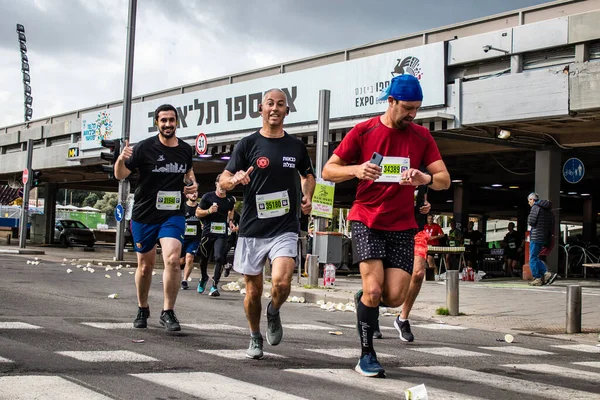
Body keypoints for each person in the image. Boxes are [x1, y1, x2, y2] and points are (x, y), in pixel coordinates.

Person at [322, 74, 450, 378]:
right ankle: (366, 355)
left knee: (393, 297)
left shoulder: (421, 137)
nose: (412, 114)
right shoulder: (364, 131)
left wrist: (425, 178)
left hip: (402, 225)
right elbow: (329, 169)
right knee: (375, 288)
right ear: (390, 101)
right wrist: (356, 169)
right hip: (366, 218)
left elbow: (444, 179)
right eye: (407, 107)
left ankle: (364, 301)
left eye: (416, 109)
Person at [218, 88, 315, 360]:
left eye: (280, 104)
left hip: (284, 226)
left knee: (282, 283)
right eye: (270, 104)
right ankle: (254, 335)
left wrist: (307, 195)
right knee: (253, 290)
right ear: (261, 109)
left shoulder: (295, 146)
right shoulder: (247, 145)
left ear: (287, 111)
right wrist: (235, 179)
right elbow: (222, 181)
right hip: (252, 228)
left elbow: (308, 176)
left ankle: (273, 311)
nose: (275, 108)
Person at [114, 104, 197, 332]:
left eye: (171, 120)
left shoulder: (185, 149)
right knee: (145, 267)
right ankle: (143, 307)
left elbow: (188, 173)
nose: (168, 124)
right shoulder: (144, 148)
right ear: (157, 123)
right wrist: (121, 159)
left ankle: (168, 311)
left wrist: (192, 185)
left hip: (172, 214)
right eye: (163, 121)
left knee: (172, 258)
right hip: (144, 214)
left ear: (177, 122)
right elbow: (120, 175)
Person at [196, 175, 236, 296]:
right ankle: (203, 278)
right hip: (208, 232)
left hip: (221, 233)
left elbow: (231, 210)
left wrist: (230, 221)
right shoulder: (208, 197)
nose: (223, 187)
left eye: (225, 185)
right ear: (216, 184)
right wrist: (208, 211)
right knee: (204, 259)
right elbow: (197, 212)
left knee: (219, 257)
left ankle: (214, 285)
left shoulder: (230, 200)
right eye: (221, 184)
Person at [527, 193, 557, 286]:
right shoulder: (548, 210)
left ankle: (540, 276)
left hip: (536, 236)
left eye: (529, 201)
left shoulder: (535, 208)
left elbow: (531, 222)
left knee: (532, 257)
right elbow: (552, 222)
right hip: (544, 237)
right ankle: (544, 275)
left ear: (532, 200)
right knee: (536, 256)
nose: (529, 203)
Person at [180, 190, 202, 289]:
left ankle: (184, 280)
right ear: (187, 194)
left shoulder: (201, 207)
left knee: (189, 258)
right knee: (181, 261)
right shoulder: (182, 207)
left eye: (196, 192)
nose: (194, 194)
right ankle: (176, 273)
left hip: (195, 238)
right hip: (182, 237)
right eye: (192, 193)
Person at [223, 209, 240, 278]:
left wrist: (236, 228)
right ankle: (224, 268)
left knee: (225, 253)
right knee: (220, 256)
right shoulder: (221, 210)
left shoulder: (236, 214)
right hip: (221, 236)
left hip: (231, 238)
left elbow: (241, 223)